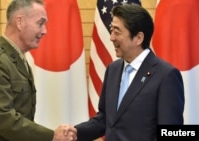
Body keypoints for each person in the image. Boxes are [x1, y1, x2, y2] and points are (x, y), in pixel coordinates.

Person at [74, 3, 184, 141]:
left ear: (138, 38)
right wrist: (75, 132)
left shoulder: (166, 76)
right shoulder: (112, 70)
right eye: (111, 30)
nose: (111, 37)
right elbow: (105, 119)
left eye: (117, 31)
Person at [0, 0, 76, 140]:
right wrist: (52, 136)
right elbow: (4, 119)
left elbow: (23, 116)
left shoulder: (17, 60)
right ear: (19, 22)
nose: (45, 31)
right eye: (40, 23)